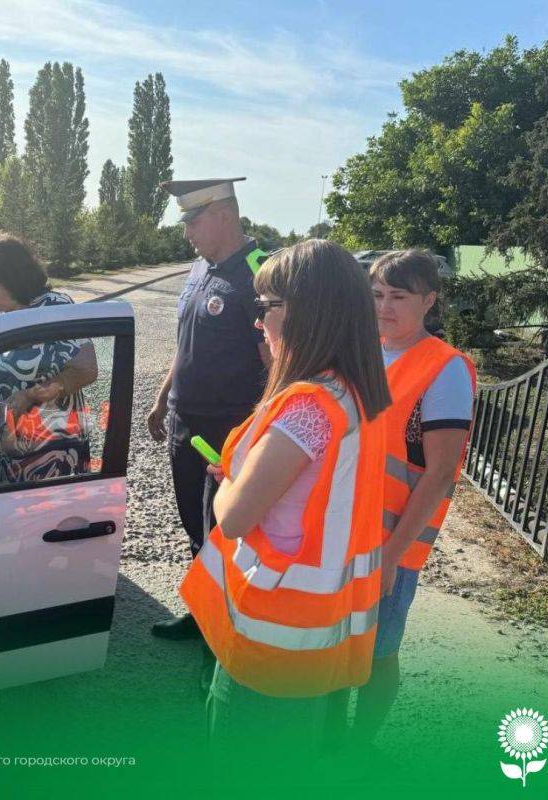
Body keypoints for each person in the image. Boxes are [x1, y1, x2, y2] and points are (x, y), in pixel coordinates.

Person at [178, 239, 392, 760]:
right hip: (312, 645)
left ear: (307, 312)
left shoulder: (308, 408)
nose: (258, 323)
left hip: (269, 646)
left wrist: (230, 478)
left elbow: (232, 518)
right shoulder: (354, 392)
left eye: (265, 308)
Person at [330, 249, 475, 745]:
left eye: (399, 296)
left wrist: (391, 555)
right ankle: (328, 739)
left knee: (376, 652)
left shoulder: (445, 368)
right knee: (334, 643)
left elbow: (439, 475)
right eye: (376, 294)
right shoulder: (360, 349)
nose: (384, 306)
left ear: (429, 300)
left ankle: (358, 745)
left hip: (390, 542)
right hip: (338, 531)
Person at [148, 177, 271, 640]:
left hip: (230, 428)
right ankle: (204, 613)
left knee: (226, 527)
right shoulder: (199, 270)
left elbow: (276, 361)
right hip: (187, 419)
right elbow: (186, 344)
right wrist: (163, 397)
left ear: (223, 215)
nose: (188, 233)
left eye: (193, 221)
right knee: (193, 521)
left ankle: (228, 625)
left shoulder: (260, 274)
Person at [0, 233, 98, 483]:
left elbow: (86, 369)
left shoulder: (55, 309)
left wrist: (31, 396)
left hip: (56, 451)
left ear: (11, 277)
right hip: (13, 452)